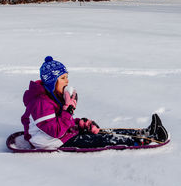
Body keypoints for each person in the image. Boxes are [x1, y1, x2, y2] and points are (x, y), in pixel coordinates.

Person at [21, 56, 167, 150]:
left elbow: (60, 120)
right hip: (51, 141)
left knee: (102, 131)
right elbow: (55, 130)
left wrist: (80, 123)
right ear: (53, 81)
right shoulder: (40, 103)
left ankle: (145, 132)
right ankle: (145, 140)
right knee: (101, 139)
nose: (67, 81)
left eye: (67, 77)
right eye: (63, 78)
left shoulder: (52, 96)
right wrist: (69, 110)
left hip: (61, 135)